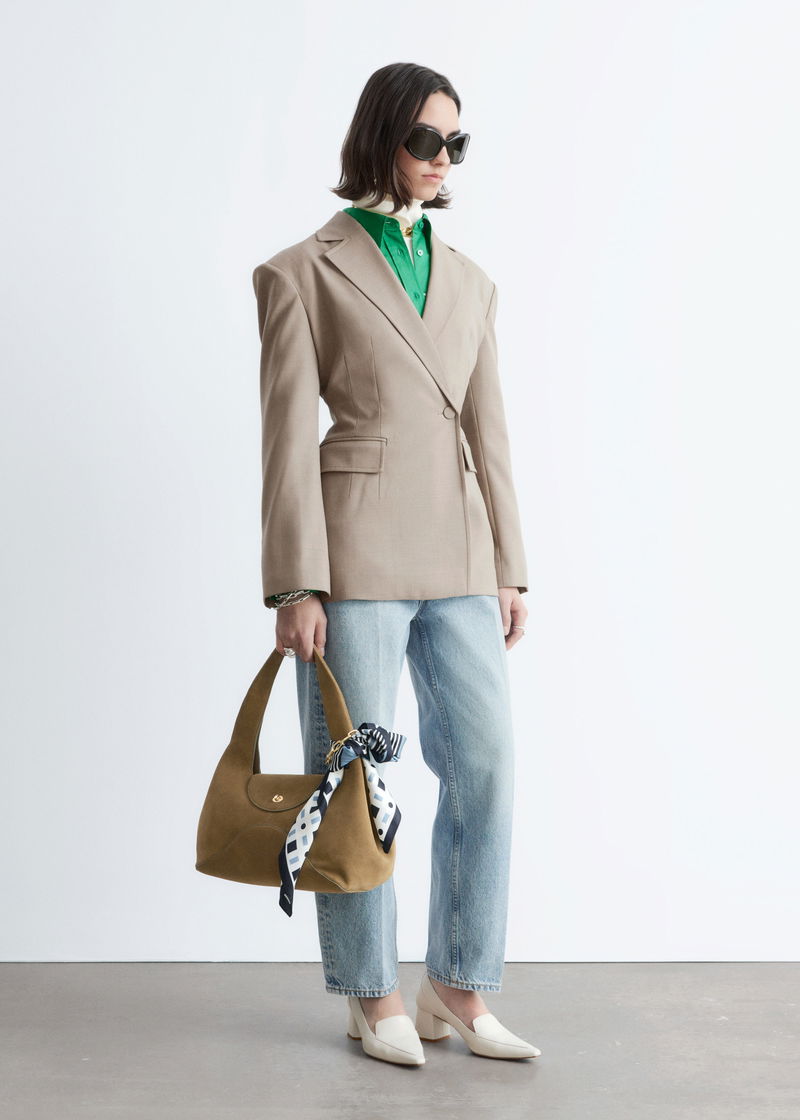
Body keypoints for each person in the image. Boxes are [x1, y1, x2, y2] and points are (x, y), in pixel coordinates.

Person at [251, 62, 540, 1066]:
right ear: (380, 137)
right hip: (357, 553)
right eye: (425, 139)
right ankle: (369, 992)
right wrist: (296, 582)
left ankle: (456, 984)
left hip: (460, 550)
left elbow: (489, 432)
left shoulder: (470, 280)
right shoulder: (302, 270)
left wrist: (510, 564)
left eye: (455, 143)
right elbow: (286, 440)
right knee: (354, 777)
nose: (441, 159)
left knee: (486, 761)